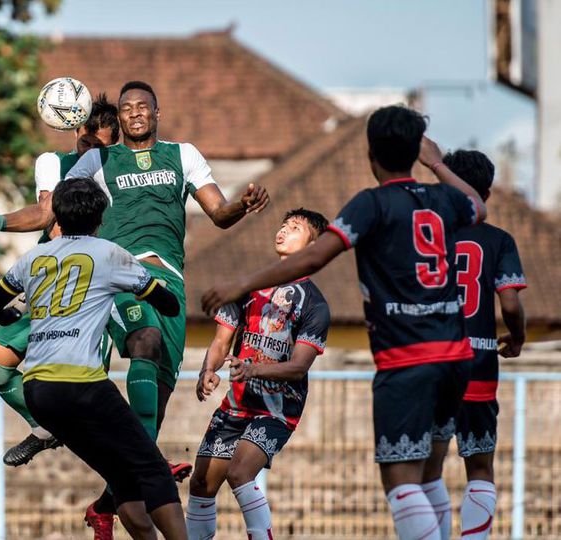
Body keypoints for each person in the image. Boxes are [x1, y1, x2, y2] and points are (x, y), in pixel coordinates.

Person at [0, 80, 269, 537]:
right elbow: (50, 211)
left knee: (149, 439)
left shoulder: (182, 155)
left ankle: (113, 496)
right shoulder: (95, 161)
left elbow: (220, 213)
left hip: (166, 278)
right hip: (114, 278)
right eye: (126, 107)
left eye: (141, 106)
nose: (133, 113)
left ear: (156, 111)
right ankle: (131, 458)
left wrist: (242, 207)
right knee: (142, 343)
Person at [201, 105, 487, 540]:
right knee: (430, 476)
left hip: (406, 360)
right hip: (456, 358)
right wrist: (436, 163)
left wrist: (240, 283)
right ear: (416, 150)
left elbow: (316, 255)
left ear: (370, 155)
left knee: (402, 481)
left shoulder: (372, 204)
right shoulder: (442, 199)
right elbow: (477, 206)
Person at [0, 178, 187, 540]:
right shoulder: (108, 253)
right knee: (152, 469)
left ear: (56, 216)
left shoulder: (34, 258)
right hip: (81, 384)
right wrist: (154, 290)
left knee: (123, 477)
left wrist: (12, 316)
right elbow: (166, 304)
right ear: (100, 218)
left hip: (38, 391)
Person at [0, 94, 120, 467]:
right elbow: (45, 214)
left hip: (90, 287)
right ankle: (48, 427)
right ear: (75, 131)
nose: (90, 152)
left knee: (89, 388)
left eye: (99, 146)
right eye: (86, 143)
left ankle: (128, 460)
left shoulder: (118, 172)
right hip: (43, 279)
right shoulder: (53, 163)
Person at [187, 209, 330, 540]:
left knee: (239, 473)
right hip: (236, 403)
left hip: (278, 410)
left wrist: (253, 368)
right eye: (283, 225)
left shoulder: (315, 305)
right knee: (201, 483)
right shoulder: (247, 287)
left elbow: (298, 367)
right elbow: (222, 341)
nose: (283, 231)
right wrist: (208, 369)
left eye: (294, 228)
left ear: (313, 246)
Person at [418, 150, 526, 539]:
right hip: (480, 360)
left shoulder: (429, 238)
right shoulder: (499, 240)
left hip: (435, 362)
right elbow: (510, 303)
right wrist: (518, 336)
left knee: (429, 470)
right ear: (488, 194)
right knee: (479, 468)